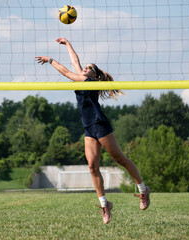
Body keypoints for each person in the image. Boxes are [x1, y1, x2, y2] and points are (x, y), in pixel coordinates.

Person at [35, 37, 150, 224]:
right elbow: (75, 61)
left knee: (119, 158)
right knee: (92, 166)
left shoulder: (88, 80)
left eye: (89, 68)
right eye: (86, 67)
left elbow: (67, 73)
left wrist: (51, 60)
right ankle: (105, 205)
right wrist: (67, 43)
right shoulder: (84, 76)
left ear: (94, 75)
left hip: (99, 124)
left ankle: (144, 189)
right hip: (88, 126)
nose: (85, 68)